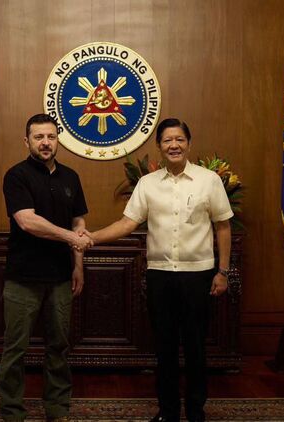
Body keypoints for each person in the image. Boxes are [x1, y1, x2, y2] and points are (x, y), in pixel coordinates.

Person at [83, 118, 232, 422]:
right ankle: (168, 412)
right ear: (159, 146)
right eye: (167, 140)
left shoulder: (208, 180)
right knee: (164, 348)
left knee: (196, 347)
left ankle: (195, 411)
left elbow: (223, 226)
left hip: (198, 276)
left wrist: (223, 272)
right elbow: (127, 223)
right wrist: (91, 238)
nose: (174, 145)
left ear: (188, 143)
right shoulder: (147, 184)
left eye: (179, 139)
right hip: (160, 276)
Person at [0, 113, 92, 422]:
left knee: (59, 346)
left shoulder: (71, 177)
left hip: (61, 277)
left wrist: (78, 265)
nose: (45, 142)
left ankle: (57, 408)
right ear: (27, 141)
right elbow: (27, 221)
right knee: (15, 348)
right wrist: (70, 237)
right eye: (39, 137)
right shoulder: (16, 176)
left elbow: (78, 222)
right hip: (23, 278)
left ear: (58, 140)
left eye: (51, 136)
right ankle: (12, 411)